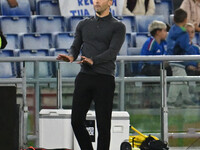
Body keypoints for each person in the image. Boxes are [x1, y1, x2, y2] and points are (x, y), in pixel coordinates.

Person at [57, 0, 126, 149]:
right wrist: (70, 56)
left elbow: (112, 52)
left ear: (109, 2)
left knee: (103, 125)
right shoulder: (83, 24)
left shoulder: (118, 26)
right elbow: (75, 46)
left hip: (105, 78)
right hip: (84, 77)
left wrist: (93, 60)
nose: (97, 1)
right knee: (76, 121)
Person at [167, 8, 195, 107]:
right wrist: (193, 53)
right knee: (178, 80)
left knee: (183, 79)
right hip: (178, 60)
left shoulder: (172, 29)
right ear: (185, 20)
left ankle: (186, 99)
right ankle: (170, 101)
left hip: (172, 58)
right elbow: (185, 46)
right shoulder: (183, 33)